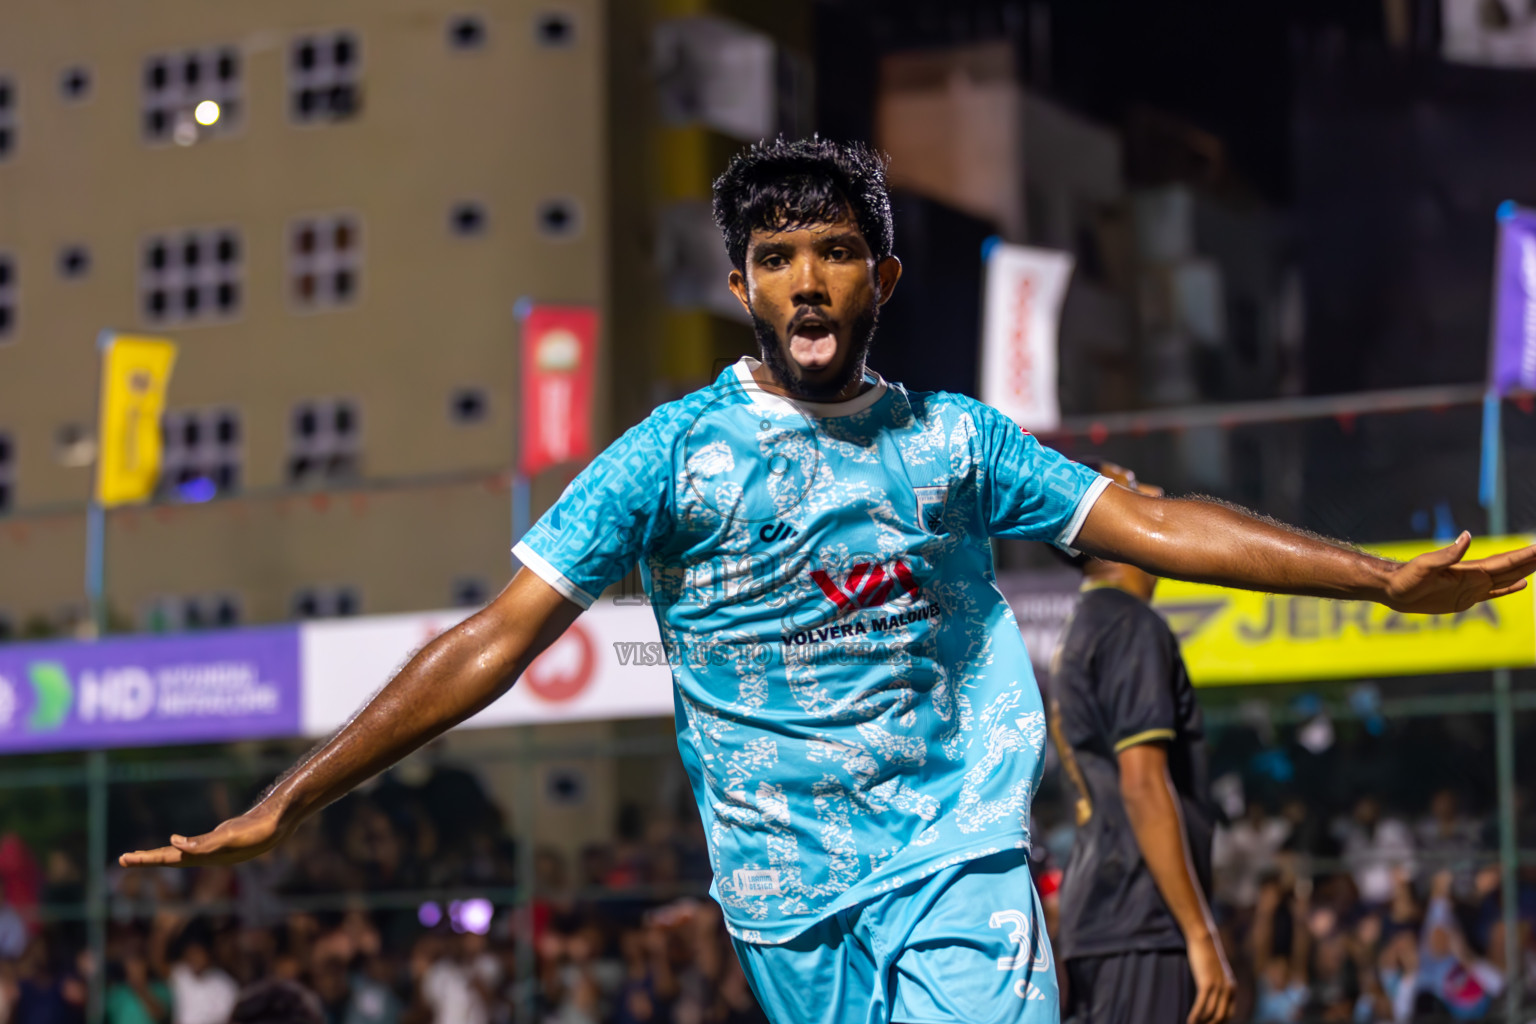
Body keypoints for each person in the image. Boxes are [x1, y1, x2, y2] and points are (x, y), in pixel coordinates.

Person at [119, 136, 1536, 1024]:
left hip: (956, 858)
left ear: (882, 276)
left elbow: (1153, 518)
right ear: (744, 287)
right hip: (781, 893)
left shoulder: (953, 444)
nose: (806, 281)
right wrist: (290, 795)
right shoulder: (669, 457)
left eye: (835, 254)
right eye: (776, 258)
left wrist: (1382, 579)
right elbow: (495, 639)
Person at [1047, 461, 1231, 1024]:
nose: (1152, 490)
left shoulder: (1083, 628)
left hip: (1104, 918)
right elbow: (1143, 785)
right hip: (1140, 924)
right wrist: (1199, 933)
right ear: (1104, 533)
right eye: (1129, 487)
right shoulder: (1129, 626)